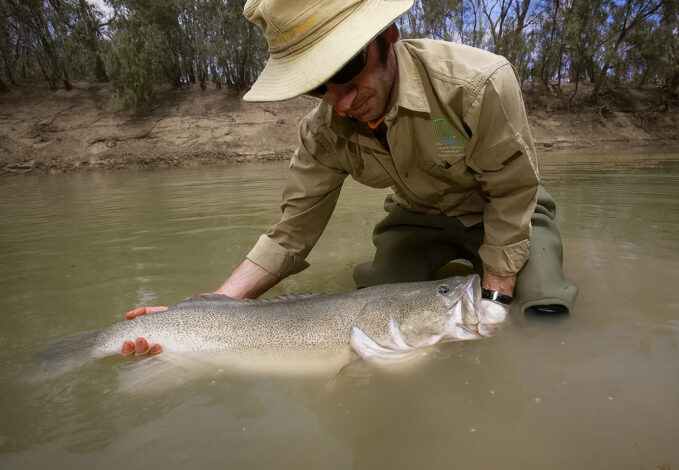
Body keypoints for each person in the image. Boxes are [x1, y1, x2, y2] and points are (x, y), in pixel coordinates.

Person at [121, 0, 578, 356]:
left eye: (345, 71)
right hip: (415, 216)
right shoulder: (321, 131)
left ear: (389, 36)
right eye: (318, 85)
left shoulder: (480, 83)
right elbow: (291, 233)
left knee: (543, 306)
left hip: (505, 208)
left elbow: (511, 189)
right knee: (378, 296)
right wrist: (213, 308)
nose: (341, 102)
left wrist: (496, 297)